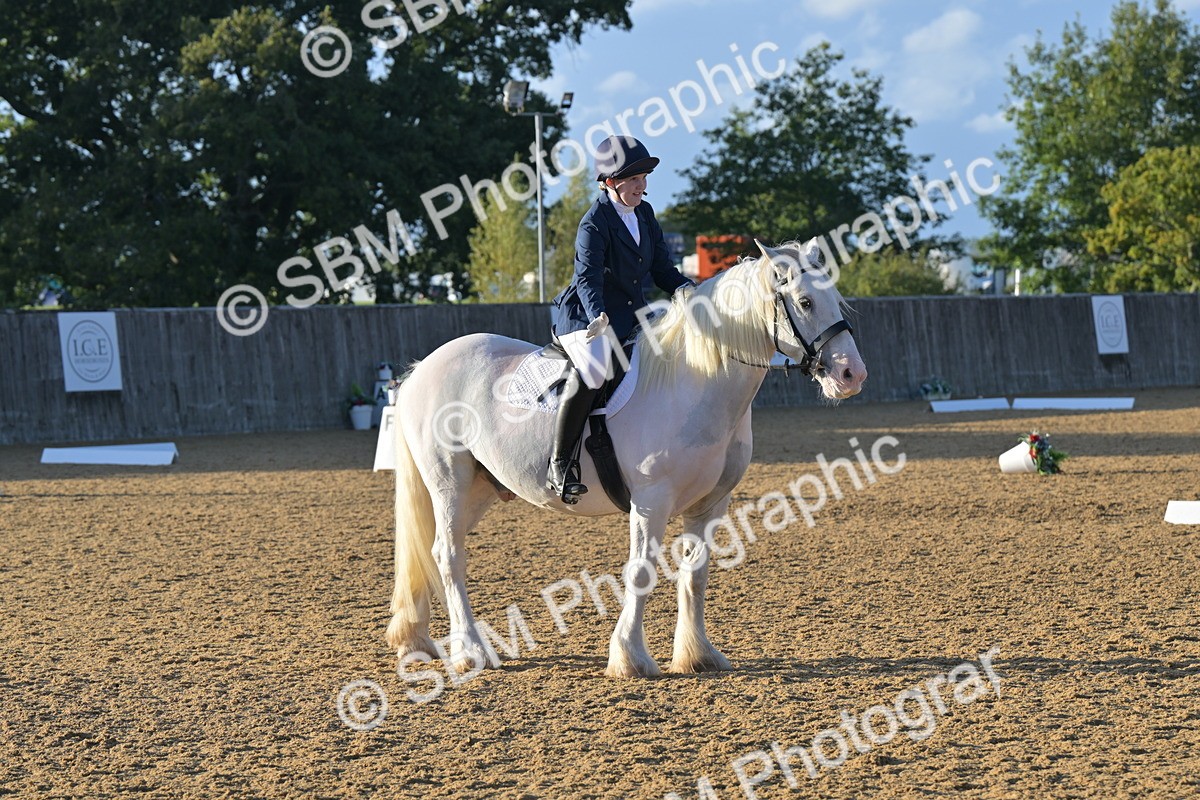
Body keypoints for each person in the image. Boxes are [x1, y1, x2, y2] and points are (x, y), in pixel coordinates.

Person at [546, 135, 695, 503]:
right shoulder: (594, 223)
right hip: (586, 316)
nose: (641, 185)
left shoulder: (644, 213)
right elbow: (587, 277)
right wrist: (597, 312)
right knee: (596, 370)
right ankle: (560, 464)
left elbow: (662, 270)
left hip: (631, 317)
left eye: (643, 177)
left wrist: (690, 289)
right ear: (609, 182)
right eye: (632, 179)